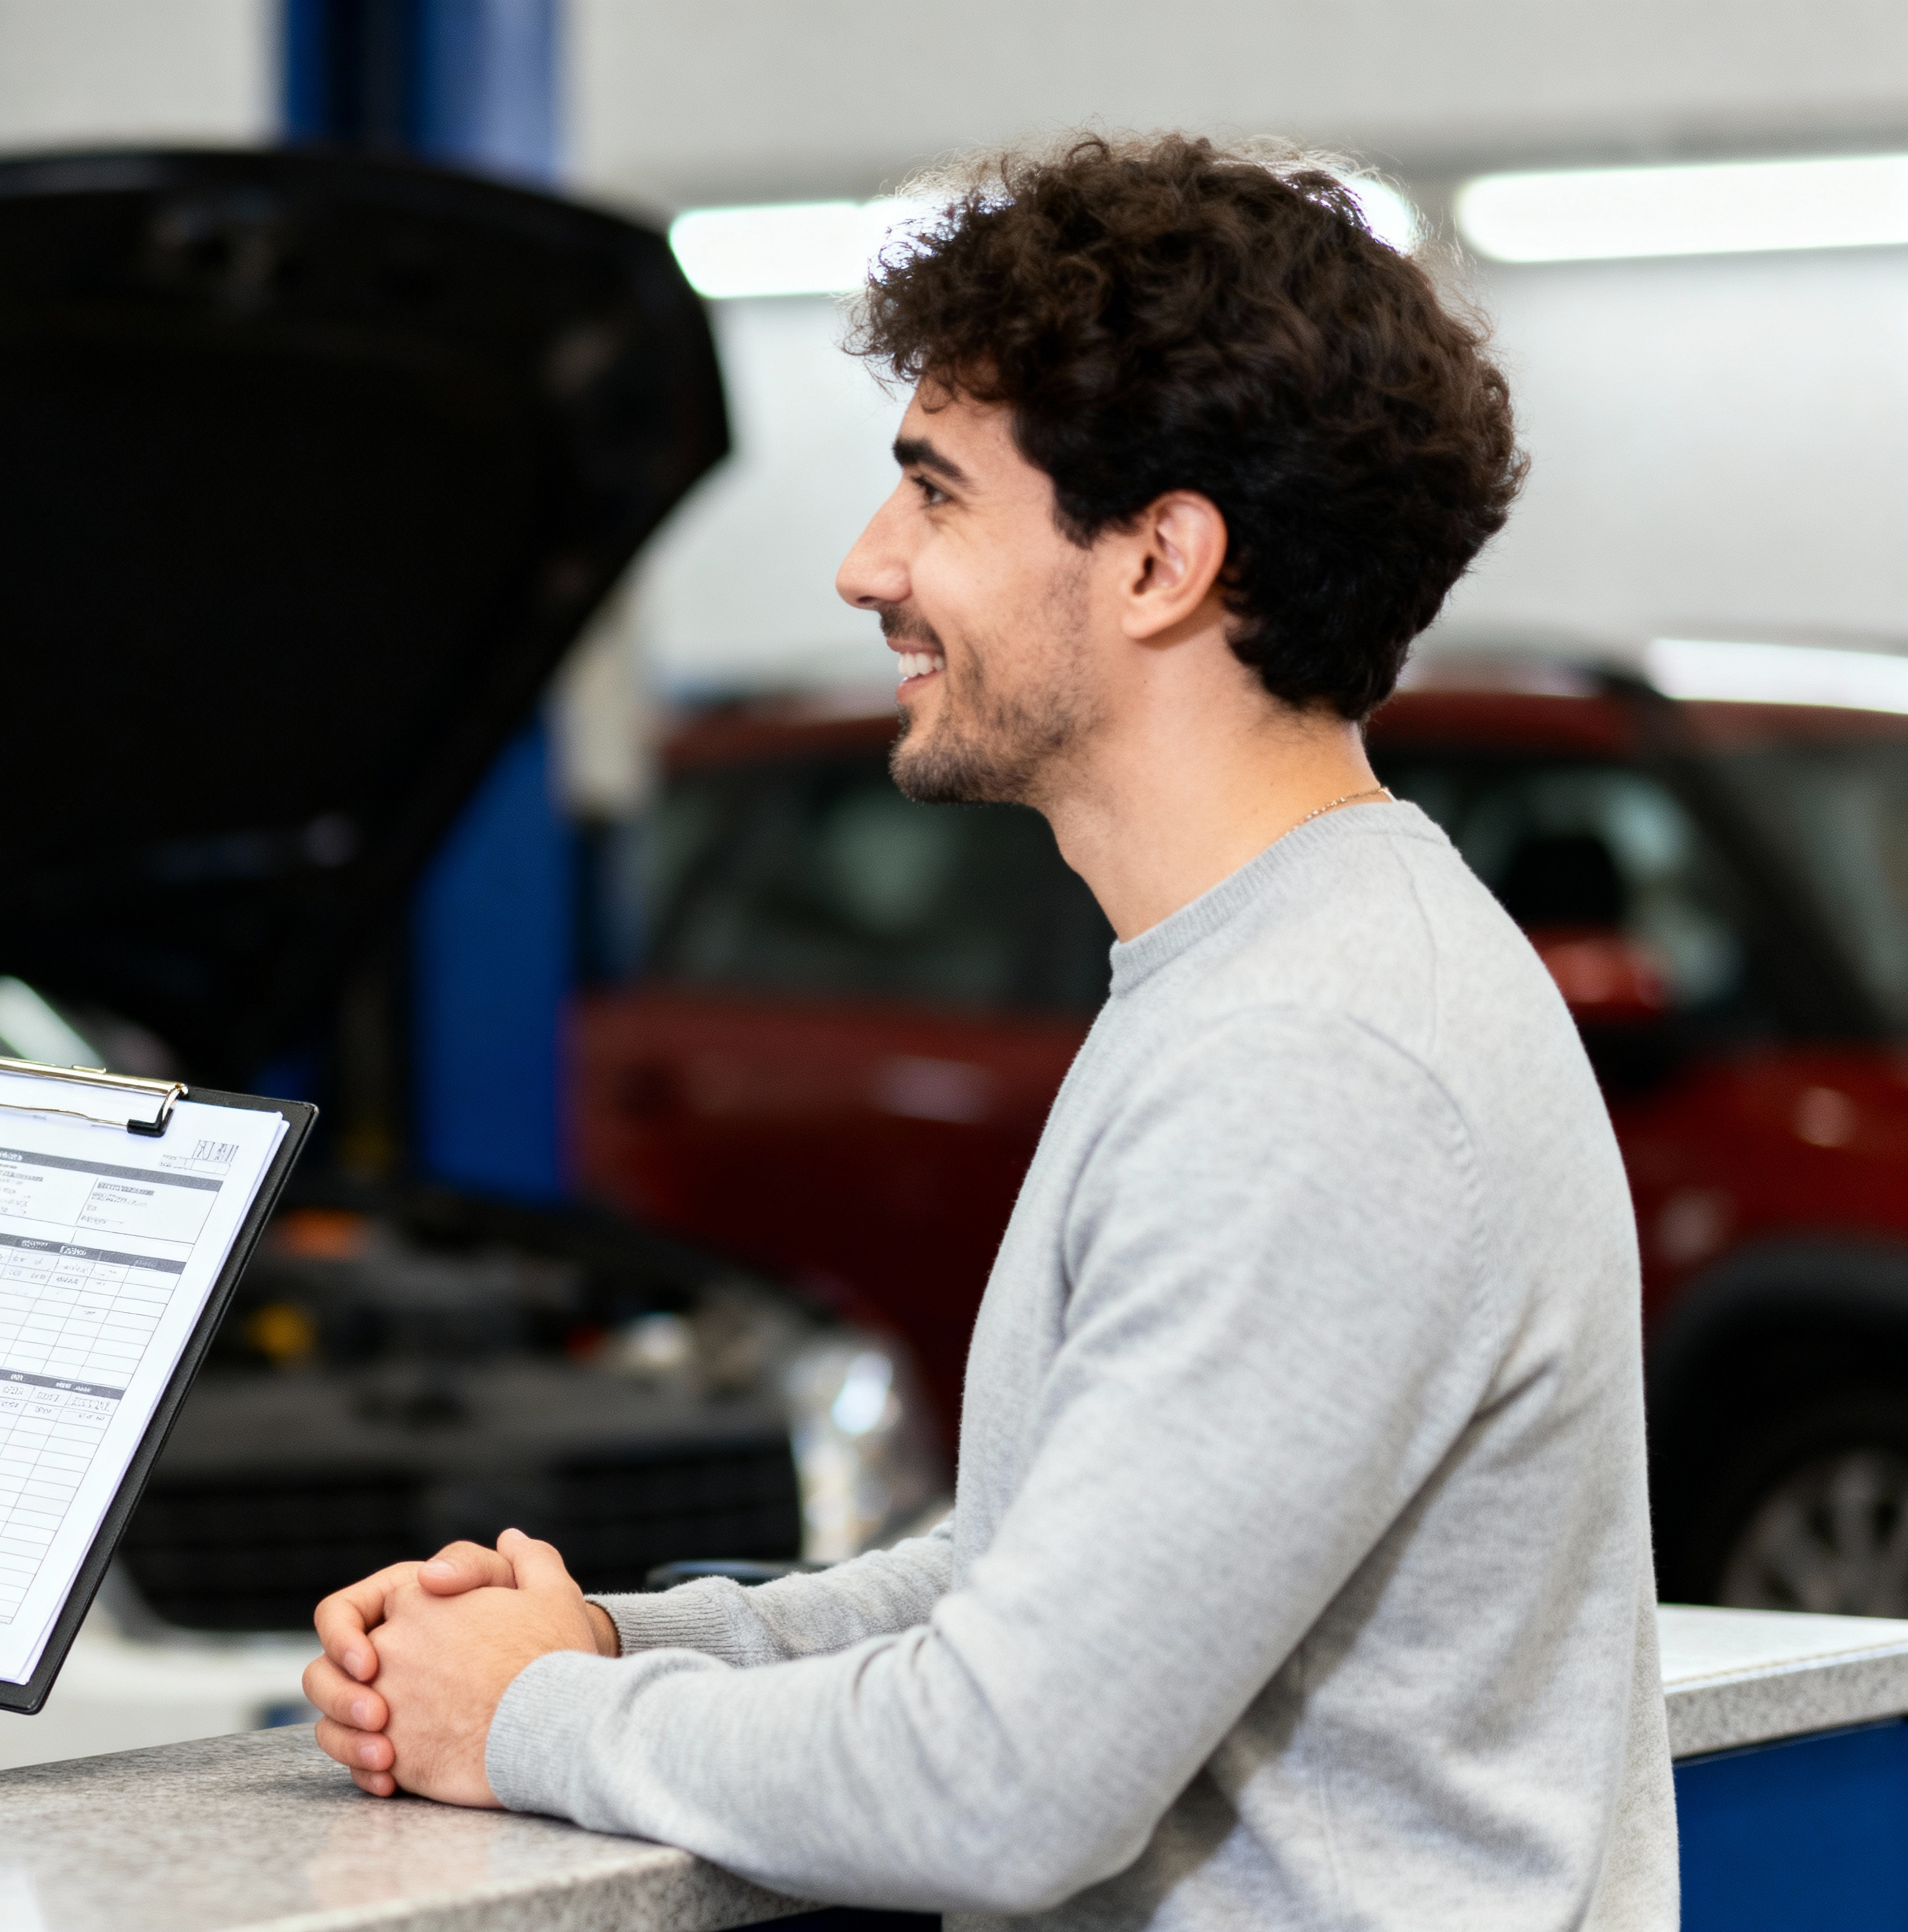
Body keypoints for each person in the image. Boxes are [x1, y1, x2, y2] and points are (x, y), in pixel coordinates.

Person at [299, 133, 1676, 1926]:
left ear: (1161, 560)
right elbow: (1025, 1586)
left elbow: (1007, 1780)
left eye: (938, 495)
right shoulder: (1261, 978)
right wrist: (625, 1636)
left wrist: (543, 1718)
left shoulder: (1318, 1061)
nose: (871, 568)